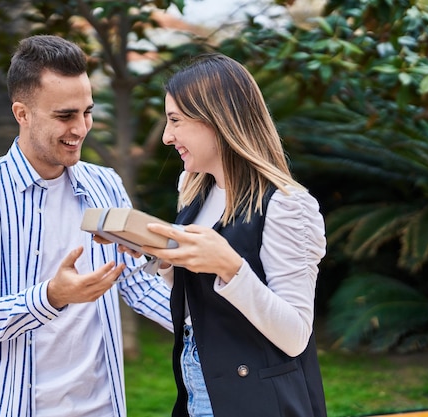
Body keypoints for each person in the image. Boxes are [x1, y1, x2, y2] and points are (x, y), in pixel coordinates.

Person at [0, 34, 172, 417]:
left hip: (102, 407)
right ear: (22, 113)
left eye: (87, 112)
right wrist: (51, 296)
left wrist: (206, 325)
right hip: (11, 406)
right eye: (65, 116)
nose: (80, 128)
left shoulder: (106, 183)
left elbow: (139, 284)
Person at [140, 53, 328, 417]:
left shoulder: (288, 206)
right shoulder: (194, 188)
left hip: (257, 401)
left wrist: (231, 268)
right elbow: (206, 309)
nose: (167, 136)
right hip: (199, 383)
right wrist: (165, 259)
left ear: (217, 120)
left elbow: (295, 335)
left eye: (175, 120)